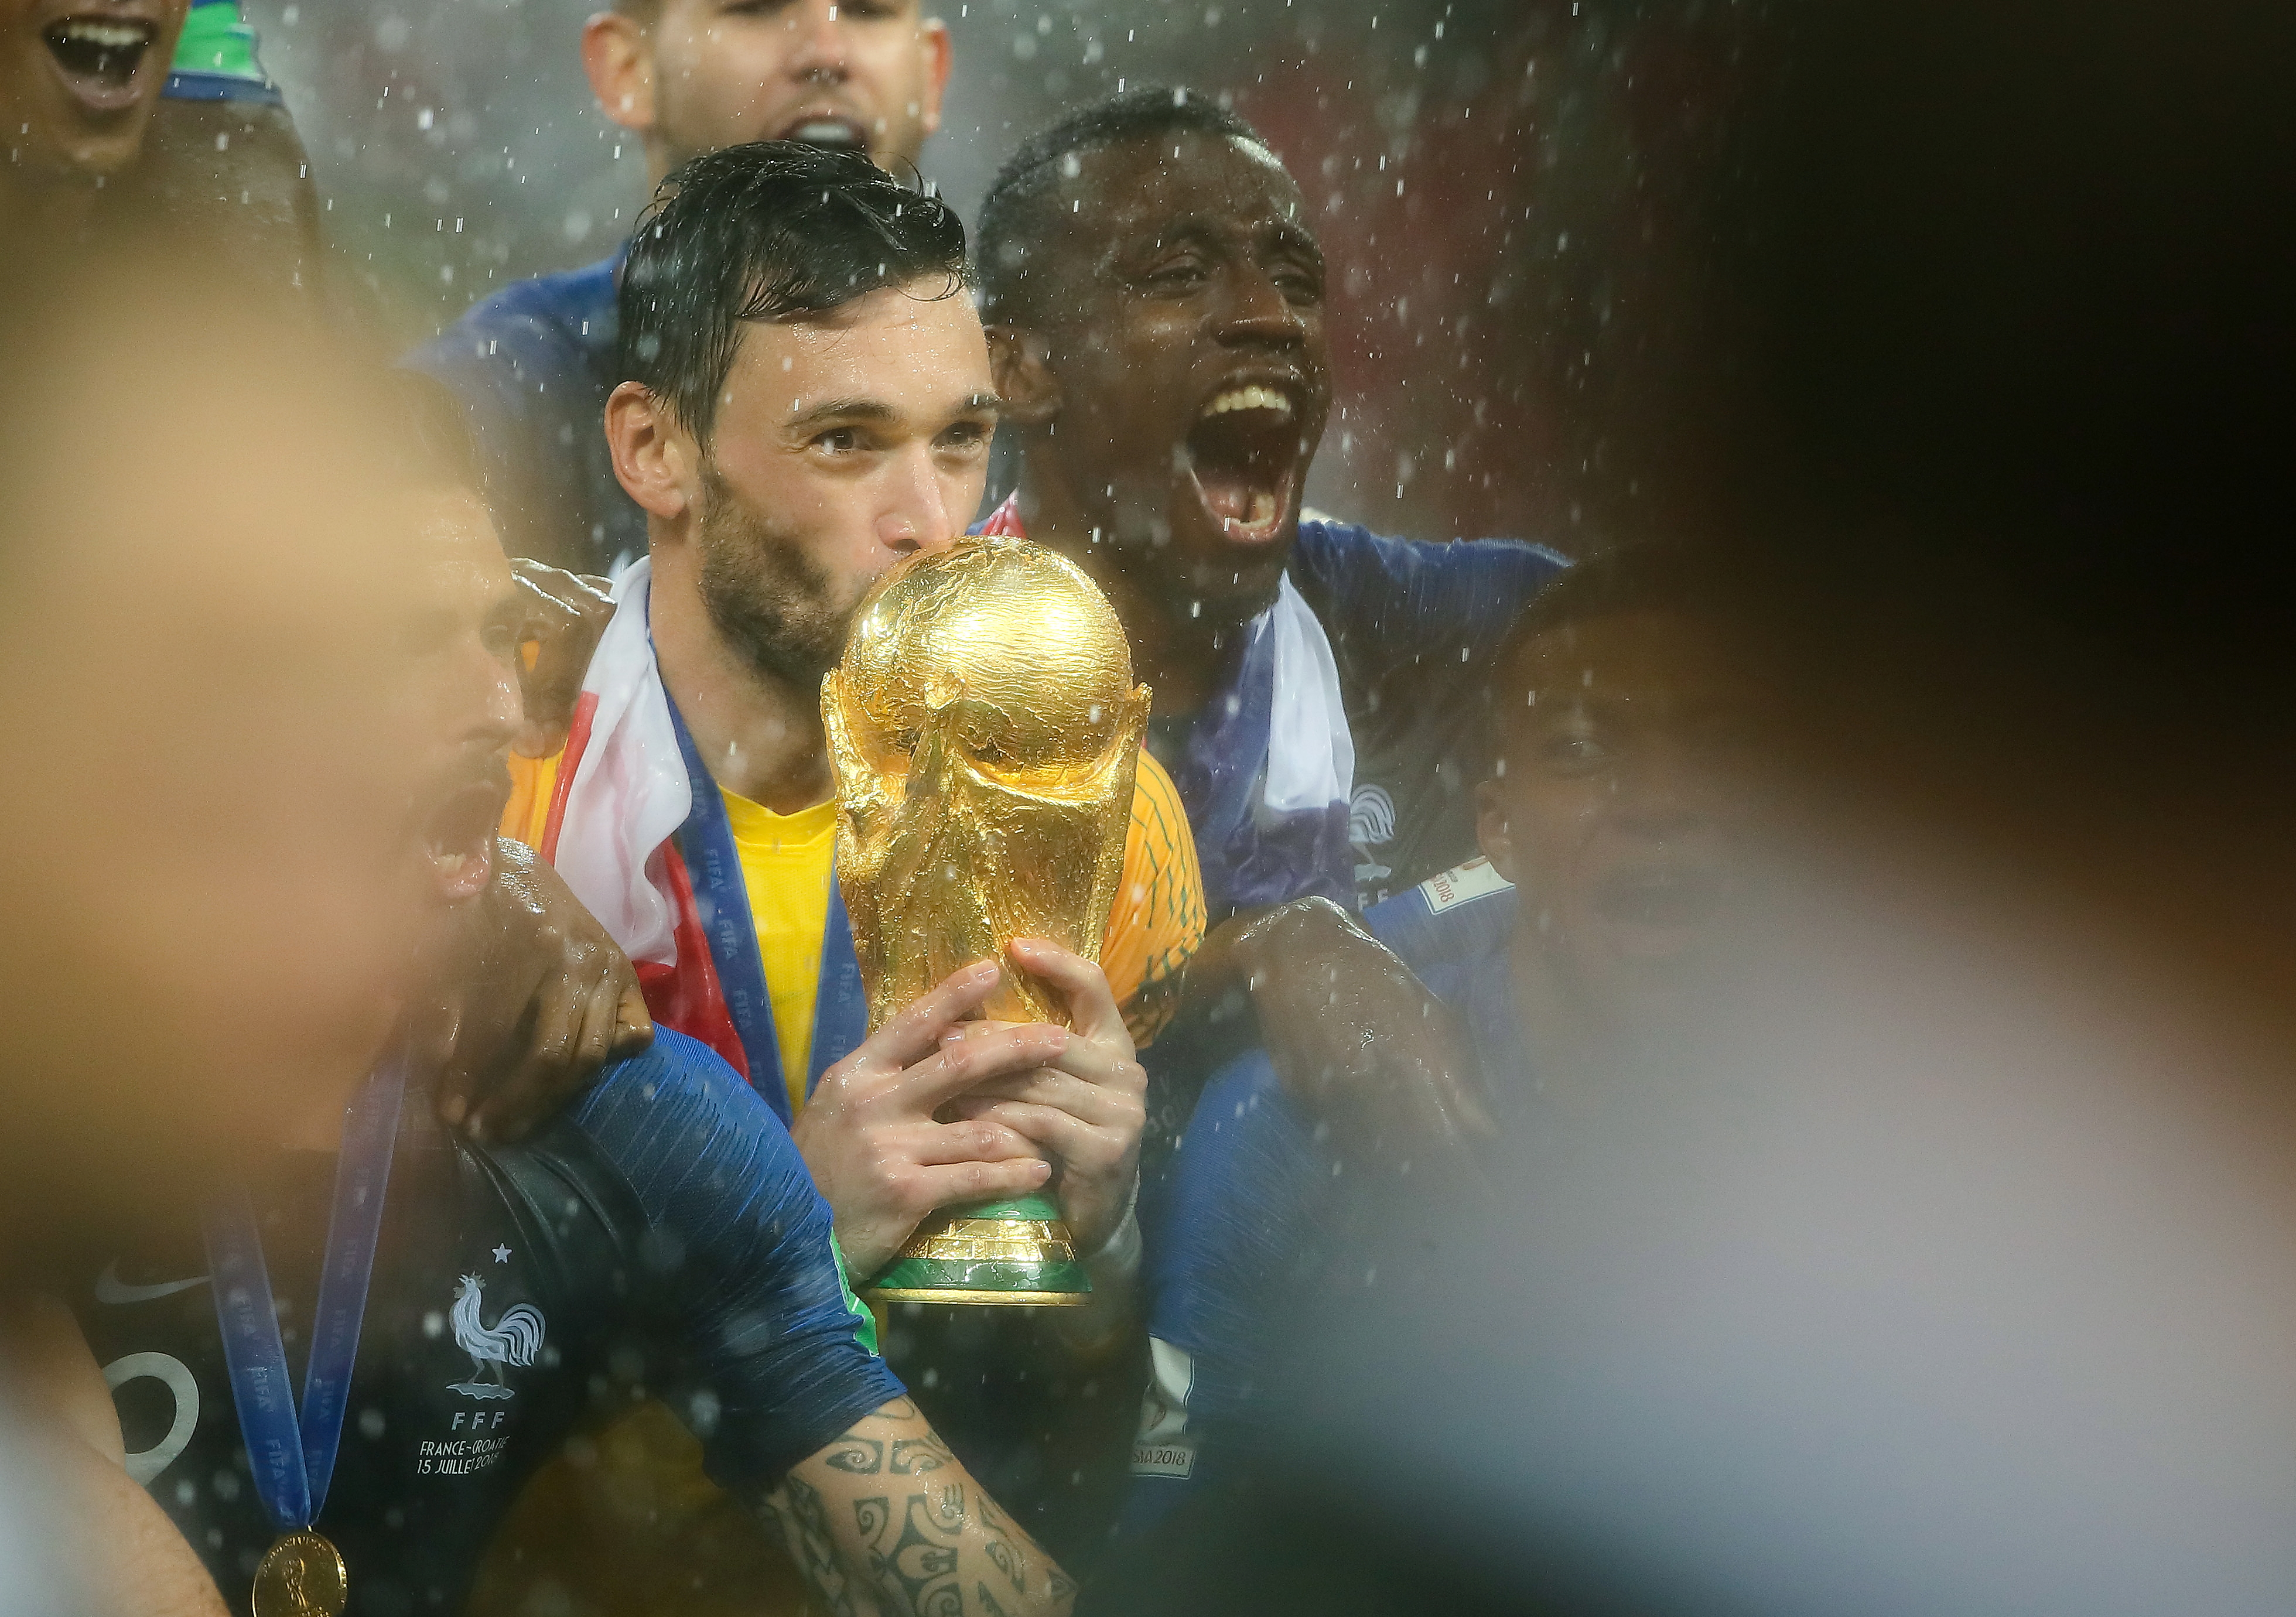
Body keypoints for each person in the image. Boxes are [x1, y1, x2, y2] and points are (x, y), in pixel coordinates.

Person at [69, 383, 1086, 1617]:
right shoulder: (51, 1100)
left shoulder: (619, 1109)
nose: (500, 706)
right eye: (400, 642)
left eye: (502, 636)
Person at [1117, 543, 1775, 1538]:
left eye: (1722, 746)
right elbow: (1169, 1565)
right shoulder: (1287, 1133)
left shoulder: (1926, 1134)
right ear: (1496, 830)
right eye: (1586, 751)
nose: (1661, 803)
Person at [973, 86, 1571, 924]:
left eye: (1295, 279)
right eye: (1179, 276)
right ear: (1019, 372)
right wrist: (1259, 961)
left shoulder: (1437, 639)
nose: (1271, 317)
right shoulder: (896, 691)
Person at [405, 0, 955, 573]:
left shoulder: (1025, 389)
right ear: (628, 68)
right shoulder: (487, 405)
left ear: (932, 72)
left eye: (868, 10)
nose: (826, 53)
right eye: (756, 8)